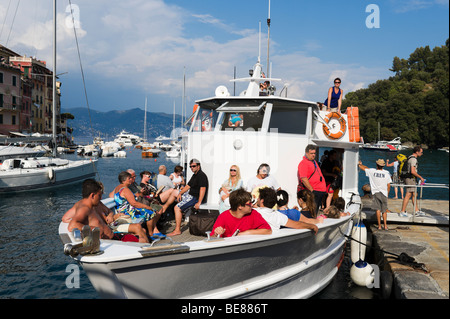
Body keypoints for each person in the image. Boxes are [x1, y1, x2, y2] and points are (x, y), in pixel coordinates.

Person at [63, 179, 149, 242]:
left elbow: (68, 219)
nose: (101, 198)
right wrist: (92, 228)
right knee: (143, 240)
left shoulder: (86, 205)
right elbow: (72, 225)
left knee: (142, 233)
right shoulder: (84, 208)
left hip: (114, 237)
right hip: (112, 243)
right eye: (99, 195)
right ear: (92, 195)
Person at [166, 159, 209, 236]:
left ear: (198, 166)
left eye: (194, 166)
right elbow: (188, 186)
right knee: (175, 192)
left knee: (177, 208)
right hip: (190, 195)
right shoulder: (195, 175)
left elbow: (203, 189)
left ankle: (177, 230)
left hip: (195, 198)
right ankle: (165, 207)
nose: (192, 168)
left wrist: (199, 202)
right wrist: (180, 194)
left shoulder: (201, 176)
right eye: (190, 166)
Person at [110, 171, 160, 236]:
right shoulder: (125, 189)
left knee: (148, 212)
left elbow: (110, 195)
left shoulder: (117, 188)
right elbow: (134, 203)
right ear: (125, 179)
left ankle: (149, 232)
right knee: (151, 213)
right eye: (129, 178)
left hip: (121, 210)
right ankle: (151, 234)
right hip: (128, 212)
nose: (131, 180)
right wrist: (147, 207)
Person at [358, 159, 392, 230]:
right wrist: (387, 194)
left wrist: (359, 164)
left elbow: (365, 168)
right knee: (384, 210)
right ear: (383, 166)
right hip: (384, 193)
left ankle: (379, 226)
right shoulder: (387, 173)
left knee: (378, 210)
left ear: (377, 165)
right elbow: (388, 185)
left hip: (376, 193)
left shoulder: (372, 171)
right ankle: (385, 226)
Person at [297, 144, 327, 216]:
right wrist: (312, 190)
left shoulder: (314, 162)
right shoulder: (304, 163)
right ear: (306, 153)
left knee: (314, 212)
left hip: (319, 191)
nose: (313, 155)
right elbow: (303, 178)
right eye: (311, 153)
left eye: (314, 153)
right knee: (311, 212)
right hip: (314, 191)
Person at [399, 146, 425, 217]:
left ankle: (416, 210)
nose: (422, 153)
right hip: (410, 179)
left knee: (414, 194)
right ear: (417, 152)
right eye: (421, 152)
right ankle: (402, 211)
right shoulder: (413, 160)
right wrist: (420, 177)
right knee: (408, 194)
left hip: (410, 178)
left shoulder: (410, 157)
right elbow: (412, 171)